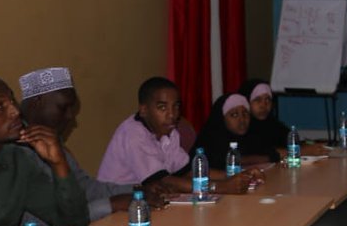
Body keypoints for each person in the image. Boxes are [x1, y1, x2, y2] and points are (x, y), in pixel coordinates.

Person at [0, 73, 110, 226]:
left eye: (12, 100)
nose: (15, 111)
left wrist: (58, 164)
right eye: (0, 107)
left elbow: (72, 225)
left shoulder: (17, 159)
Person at [19, 66, 165, 217]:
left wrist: (137, 190)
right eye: (63, 108)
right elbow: (51, 221)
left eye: (72, 109)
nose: (70, 117)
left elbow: (85, 188)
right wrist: (112, 204)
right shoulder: (14, 150)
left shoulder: (49, 139)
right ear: (37, 101)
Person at [98, 77, 253, 194]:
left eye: (176, 106)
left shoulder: (170, 132)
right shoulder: (133, 134)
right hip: (119, 204)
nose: (172, 114)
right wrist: (220, 187)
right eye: (162, 107)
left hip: (148, 199)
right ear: (144, 110)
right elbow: (163, 182)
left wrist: (237, 176)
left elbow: (187, 171)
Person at [237, 79, 324, 159]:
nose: (264, 105)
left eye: (268, 99)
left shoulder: (272, 123)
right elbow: (258, 154)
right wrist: (302, 151)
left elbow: (289, 140)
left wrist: (310, 145)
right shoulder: (241, 127)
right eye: (258, 100)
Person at [196, 93, 279, 169]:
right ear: (222, 118)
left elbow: (269, 151)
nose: (242, 120)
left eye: (245, 113)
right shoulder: (210, 140)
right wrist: (269, 157)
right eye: (234, 115)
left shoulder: (252, 135)